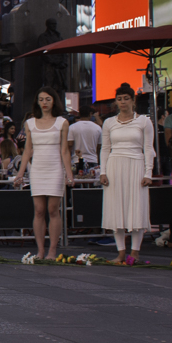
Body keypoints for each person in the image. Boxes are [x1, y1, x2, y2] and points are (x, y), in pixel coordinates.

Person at [99, 83, 155, 264]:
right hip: (115, 166)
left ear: (133, 100)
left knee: (136, 208)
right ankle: (121, 252)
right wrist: (103, 171)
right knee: (117, 209)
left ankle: (135, 252)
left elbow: (148, 148)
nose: (122, 102)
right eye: (119, 99)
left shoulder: (144, 121)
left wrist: (148, 173)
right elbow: (105, 149)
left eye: (126, 98)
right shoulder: (109, 123)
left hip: (136, 166)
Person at [15, 88, 73, 261]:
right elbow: (27, 151)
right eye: (41, 99)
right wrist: (20, 173)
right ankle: (40, 250)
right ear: (37, 102)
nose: (44, 103)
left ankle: (53, 250)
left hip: (55, 167)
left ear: (53, 101)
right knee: (39, 210)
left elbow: (64, 151)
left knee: (53, 209)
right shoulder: (30, 123)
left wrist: (69, 174)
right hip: (38, 168)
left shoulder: (62, 122)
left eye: (48, 99)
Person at [69, 107, 103, 173]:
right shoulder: (97, 128)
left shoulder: (72, 127)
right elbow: (99, 146)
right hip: (93, 160)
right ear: (90, 114)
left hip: (76, 160)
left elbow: (69, 144)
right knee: (92, 182)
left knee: (77, 182)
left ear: (79, 114)